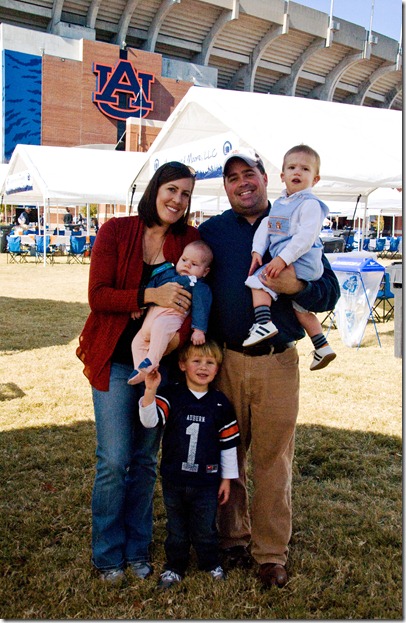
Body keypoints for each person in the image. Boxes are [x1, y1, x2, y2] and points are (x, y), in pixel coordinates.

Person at [198, 147, 340, 588]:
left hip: (278, 362)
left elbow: (329, 292)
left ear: (266, 177)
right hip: (226, 362)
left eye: (250, 174)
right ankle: (232, 538)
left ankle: (270, 553)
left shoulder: (295, 218)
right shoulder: (212, 231)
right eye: (232, 177)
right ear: (225, 187)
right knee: (228, 456)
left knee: (273, 460)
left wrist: (294, 283)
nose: (242, 182)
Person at [76, 161, 200, 583]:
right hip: (114, 358)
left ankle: (137, 549)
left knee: (146, 460)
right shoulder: (117, 230)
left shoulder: (189, 241)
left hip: (160, 366)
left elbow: (192, 304)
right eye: (171, 189)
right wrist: (150, 293)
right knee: (113, 459)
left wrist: (176, 341)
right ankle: (108, 553)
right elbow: (98, 295)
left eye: (185, 194)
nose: (177, 200)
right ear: (155, 189)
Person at [139, 340, 240, 589]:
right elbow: (150, 421)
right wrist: (150, 391)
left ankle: (210, 562)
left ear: (218, 368)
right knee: (177, 529)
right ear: (182, 364)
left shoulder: (220, 403)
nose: (203, 367)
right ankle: (175, 567)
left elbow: (228, 445)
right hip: (175, 478)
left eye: (210, 362)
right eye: (196, 361)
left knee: (206, 527)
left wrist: (227, 479)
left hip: (207, 481)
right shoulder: (172, 395)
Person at [243, 144, 336, 371]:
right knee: (300, 309)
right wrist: (257, 251)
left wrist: (282, 259)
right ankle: (322, 346)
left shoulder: (310, 204)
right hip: (294, 262)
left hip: (301, 261)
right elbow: (267, 226)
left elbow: (306, 237)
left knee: (258, 280)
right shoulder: (282, 204)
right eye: (292, 167)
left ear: (315, 179)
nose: (297, 172)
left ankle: (263, 323)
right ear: (282, 176)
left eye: (305, 169)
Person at [128, 240, 213, 385]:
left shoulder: (198, 286)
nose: (187, 265)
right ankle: (139, 369)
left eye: (194, 264)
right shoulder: (166, 272)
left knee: (160, 329)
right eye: (184, 260)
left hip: (170, 318)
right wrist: (140, 304)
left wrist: (199, 329)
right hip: (150, 317)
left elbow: (201, 307)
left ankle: (152, 361)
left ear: (205, 272)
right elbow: (151, 287)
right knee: (137, 342)